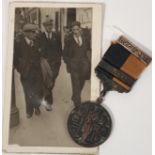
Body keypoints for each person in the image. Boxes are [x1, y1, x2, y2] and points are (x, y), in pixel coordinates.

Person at [14, 23, 46, 118]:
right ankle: (29, 110)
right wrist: (21, 69)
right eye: (33, 32)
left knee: (39, 91)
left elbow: (41, 53)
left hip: (37, 72)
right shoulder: (19, 43)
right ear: (26, 33)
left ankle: (36, 106)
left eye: (35, 32)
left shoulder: (36, 41)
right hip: (26, 73)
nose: (35, 34)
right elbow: (15, 59)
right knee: (28, 92)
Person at [63, 21, 91, 107]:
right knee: (76, 85)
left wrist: (88, 61)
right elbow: (64, 54)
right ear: (72, 30)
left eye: (77, 29)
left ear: (80, 29)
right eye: (73, 30)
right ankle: (77, 104)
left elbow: (88, 50)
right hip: (74, 67)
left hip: (83, 66)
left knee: (81, 83)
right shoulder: (68, 40)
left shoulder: (85, 38)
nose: (75, 31)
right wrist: (70, 63)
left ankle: (75, 96)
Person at [36, 18, 62, 109]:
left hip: (55, 64)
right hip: (45, 63)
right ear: (44, 27)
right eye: (47, 26)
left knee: (51, 82)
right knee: (47, 83)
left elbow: (60, 50)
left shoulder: (57, 35)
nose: (49, 27)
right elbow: (37, 50)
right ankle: (48, 103)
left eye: (51, 25)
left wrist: (59, 62)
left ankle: (45, 96)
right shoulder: (39, 36)